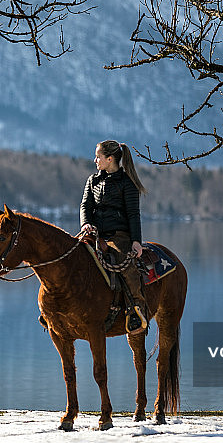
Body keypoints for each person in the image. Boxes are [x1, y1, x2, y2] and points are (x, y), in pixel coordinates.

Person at [80, 140, 148, 334]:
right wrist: (86, 224)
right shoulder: (92, 180)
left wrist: (136, 241)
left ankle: (137, 310)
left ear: (109, 159)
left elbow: (134, 214)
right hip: (93, 234)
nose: (95, 160)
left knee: (127, 267)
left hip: (119, 236)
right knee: (71, 254)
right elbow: (85, 206)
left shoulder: (128, 184)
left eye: (98, 157)